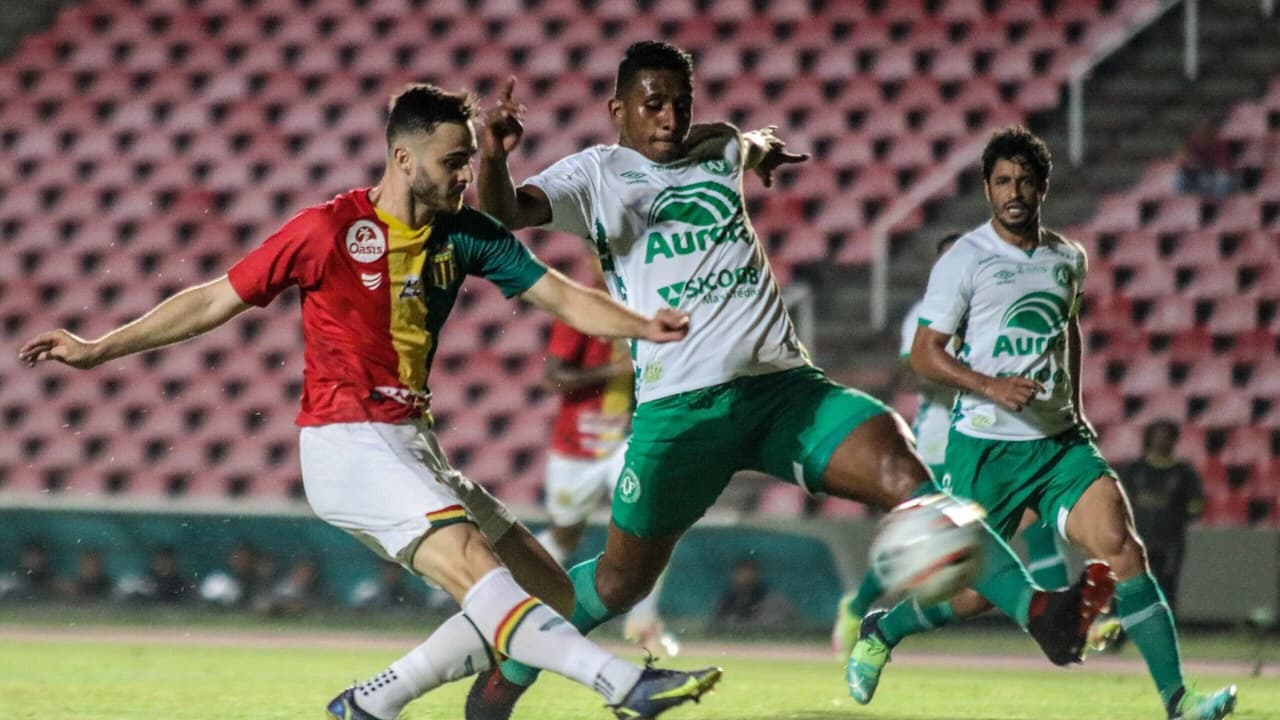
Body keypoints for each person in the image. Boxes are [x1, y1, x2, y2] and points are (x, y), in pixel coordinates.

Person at [18, 82, 720, 720]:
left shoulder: (465, 232)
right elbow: (212, 299)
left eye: (470, 159)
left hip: (414, 442)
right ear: (403, 159)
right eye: (453, 161)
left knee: (552, 597)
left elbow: (559, 294)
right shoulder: (326, 231)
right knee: (475, 564)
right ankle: (624, 686)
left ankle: (373, 703)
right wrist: (99, 346)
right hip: (347, 441)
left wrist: (638, 324)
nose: (464, 175)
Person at [471, 40, 1116, 720]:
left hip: (784, 391)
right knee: (618, 582)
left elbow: (740, 142)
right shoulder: (593, 175)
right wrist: (494, 155)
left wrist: (762, 147)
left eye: (679, 106)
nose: (667, 120)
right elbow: (503, 212)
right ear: (618, 109)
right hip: (681, 414)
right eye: (652, 105)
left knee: (902, 467)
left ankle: (1040, 612)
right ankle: (506, 675)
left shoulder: (714, 146)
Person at [845, 126, 1237, 720]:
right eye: (1003, 180)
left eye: (1025, 180)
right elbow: (925, 354)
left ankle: (1179, 702)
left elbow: (1068, 330)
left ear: (1043, 187)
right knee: (971, 596)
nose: (1014, 191)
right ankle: (883, 630)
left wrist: (1075, 407)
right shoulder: (966, 260)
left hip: (1058, 446)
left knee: (1124, 551)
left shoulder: (1066, 258)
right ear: (986, 188)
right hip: (984, 447)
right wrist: (989, 386)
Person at [830, 233, 1078, 658]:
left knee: (1032, 528)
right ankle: (858, 608)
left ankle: (1062, 618)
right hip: (941, 444)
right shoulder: (927, 316)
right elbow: (915, 373)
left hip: (994, 436)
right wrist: (978, 383)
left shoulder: (996, 309)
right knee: (929, 538)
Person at [538, 260, 676, 657]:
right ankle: (504, 602)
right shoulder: (580, 308)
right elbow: (554, 378)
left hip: (628, 437)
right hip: (578, 443)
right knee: (565, 535)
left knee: (654, 519)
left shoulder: (648, 304)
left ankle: (644, 623)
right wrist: (614, 368)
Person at [1119, 419, 1204, 614]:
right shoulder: (1134, 469)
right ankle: (1125, 628)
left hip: (1170, 540)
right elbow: (1120, 501)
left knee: (1167, 585)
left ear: (1174, 440)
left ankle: (1165, 627)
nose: (1161, 441)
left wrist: (1178, 517)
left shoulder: (1184, 473)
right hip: (1138, 538)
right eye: (1157, 436)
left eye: (1166, 436)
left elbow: (1196, 504)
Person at [710, 556, 796, 631]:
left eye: (750, 572)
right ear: (733, 576)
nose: (746, 577)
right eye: (741, 573)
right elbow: (713, 628)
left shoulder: (777, 602)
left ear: (758, 574)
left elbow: (794, 628)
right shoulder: (724, 604)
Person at [1175, 118, 1237, 198]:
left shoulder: (1220, 142)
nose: (1202, 131)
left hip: (1217, 172)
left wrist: (1204, 165)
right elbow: (1187, 159)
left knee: (1221, 178)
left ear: (1212, 130)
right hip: (1200, 172)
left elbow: (1223, 163)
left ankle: (1218, 205)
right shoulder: (1193, 141)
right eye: (1201, 128)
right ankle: (1183, 204)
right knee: (1178, 178)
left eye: (1206, 128)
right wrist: (1190, 163)